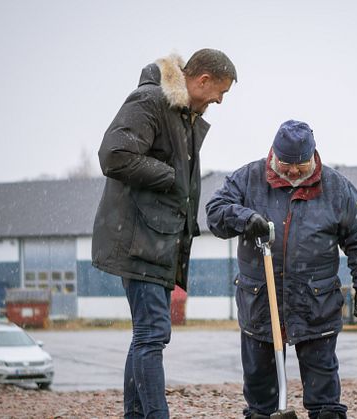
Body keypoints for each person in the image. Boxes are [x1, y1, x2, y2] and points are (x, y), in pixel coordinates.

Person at [91, 49, 236, 419]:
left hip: (156, 241)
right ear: (202, 80)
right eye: (220, 91)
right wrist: (170, 176)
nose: (219, 100)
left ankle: (137, 415)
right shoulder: (151, 100)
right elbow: (114, 154)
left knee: (146, 335)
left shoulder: (183, 114)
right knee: (152, 334)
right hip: (141, 239)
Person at [206, 120, 357, 419]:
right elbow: (215, 212)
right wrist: (245, 218)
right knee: (261, 397)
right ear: (274, 155)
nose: (294, 172)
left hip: (316, 304)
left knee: (324, 394)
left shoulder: (336, 188)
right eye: (287, 165)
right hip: (261, 303)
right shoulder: (248, 179)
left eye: (301, 165)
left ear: (313, 156)